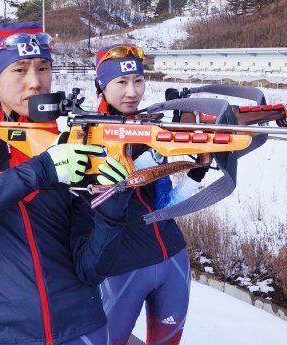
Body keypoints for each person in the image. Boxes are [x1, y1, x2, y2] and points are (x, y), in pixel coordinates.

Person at [0, 22, 130, 345]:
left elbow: (90, 268)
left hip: (82, 331)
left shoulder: (72, 144)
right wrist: (39, 171)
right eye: (19, 69)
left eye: (43, 67)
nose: (35, 82)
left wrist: (111, 210)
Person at [94, 44, 209, 345]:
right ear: (102, 86)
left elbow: (165, 206)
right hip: (122, 268)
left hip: (172, 259)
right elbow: (106, 193)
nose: (132, 92)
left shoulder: (150, 127)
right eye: (121, 82)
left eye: (139, 81)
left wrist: (196, 171)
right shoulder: (87, 134)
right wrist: (156, 154)